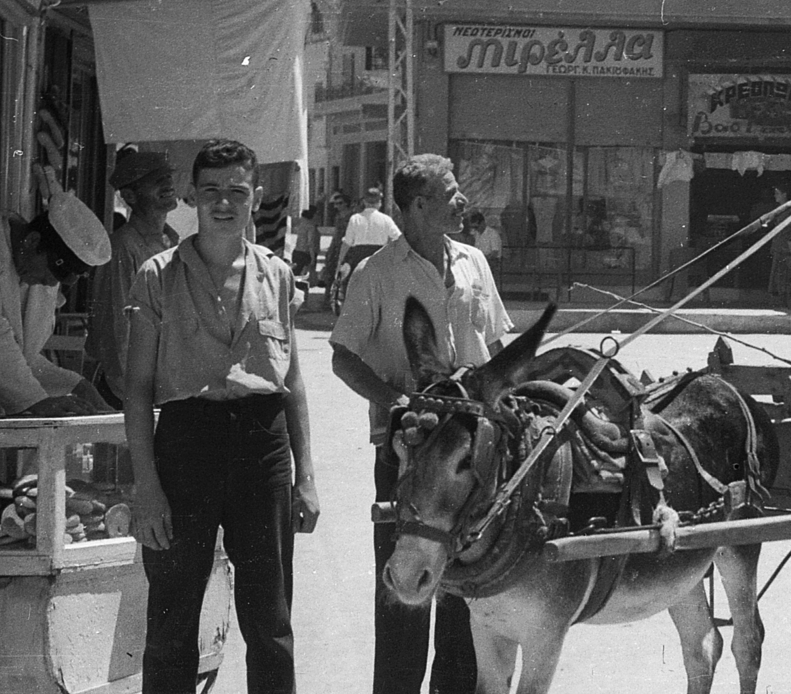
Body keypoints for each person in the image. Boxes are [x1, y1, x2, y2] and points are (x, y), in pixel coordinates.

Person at [123, 139, 319, 694]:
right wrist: (147, 488)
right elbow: (137, 392)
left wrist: (306, 476)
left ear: (255, 198)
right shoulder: (157, 276)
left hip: (263, 445)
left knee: (271, 620)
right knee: (171, 619)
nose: (224, 203)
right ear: (192, 196)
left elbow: (294, 383)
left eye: (237, 191)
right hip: (187, 444)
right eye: (212, 191)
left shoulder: (277, 276)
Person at [329, 154, 513, 694]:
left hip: (473, 461)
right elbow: (342, 355)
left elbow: (497, 344)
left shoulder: (475, 264)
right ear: (416, 207)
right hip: (409, 455)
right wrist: (393, 402)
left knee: (466, 601)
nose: (462, 201)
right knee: (405, 598)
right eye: (450, 193)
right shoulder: (377, 274)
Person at [0, 187, 114, 416]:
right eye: (55, 272)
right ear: (32, 241)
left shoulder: (33, 272)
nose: (52, 285)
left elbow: (22, 359)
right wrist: (35, 400)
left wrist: (77, 386)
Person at [86, 148, 180, 405]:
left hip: (164, 387)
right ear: (130, 195)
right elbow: (118, 331)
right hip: (131, 392)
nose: (167, 184)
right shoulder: (123, 247)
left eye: (167, 177)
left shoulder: (172, 242)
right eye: (155, 180)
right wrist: (139, 396)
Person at [337, 187, 401, 281]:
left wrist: (339, 263)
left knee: (350, 288)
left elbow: (347, 243)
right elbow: (398, 238)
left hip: (358, 259)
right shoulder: (386, 219)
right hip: (379, 258)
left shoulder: (355, 219)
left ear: (364, 202)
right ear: (379, 203)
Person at [318, 191, 351, 290]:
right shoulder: (337, 217)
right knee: (330, 272)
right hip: (336, 246)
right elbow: (336, 233)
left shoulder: (351, 217)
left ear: (346, 203)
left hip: (347, 246)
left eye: (340, 203)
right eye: (335, 204)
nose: (337, 206)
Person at [290, 208, 319, 282]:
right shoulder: (311, 227)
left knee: (295, 276)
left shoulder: (301, 226)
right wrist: (312, 258)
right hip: (305, 254)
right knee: (304, 278)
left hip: (297, 252)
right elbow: (310, 242)